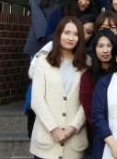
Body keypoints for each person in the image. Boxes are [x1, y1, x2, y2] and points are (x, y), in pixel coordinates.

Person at [30, 16, 89, 159]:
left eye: (75, 34)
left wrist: (73, 128)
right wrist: (53, 129)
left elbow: (87, 102)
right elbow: (37, 100)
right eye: (67, 33)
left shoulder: (87, 63)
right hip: (46, 141)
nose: (71, 38)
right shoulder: (42, 62)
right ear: (58, 34)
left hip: (73, 143)